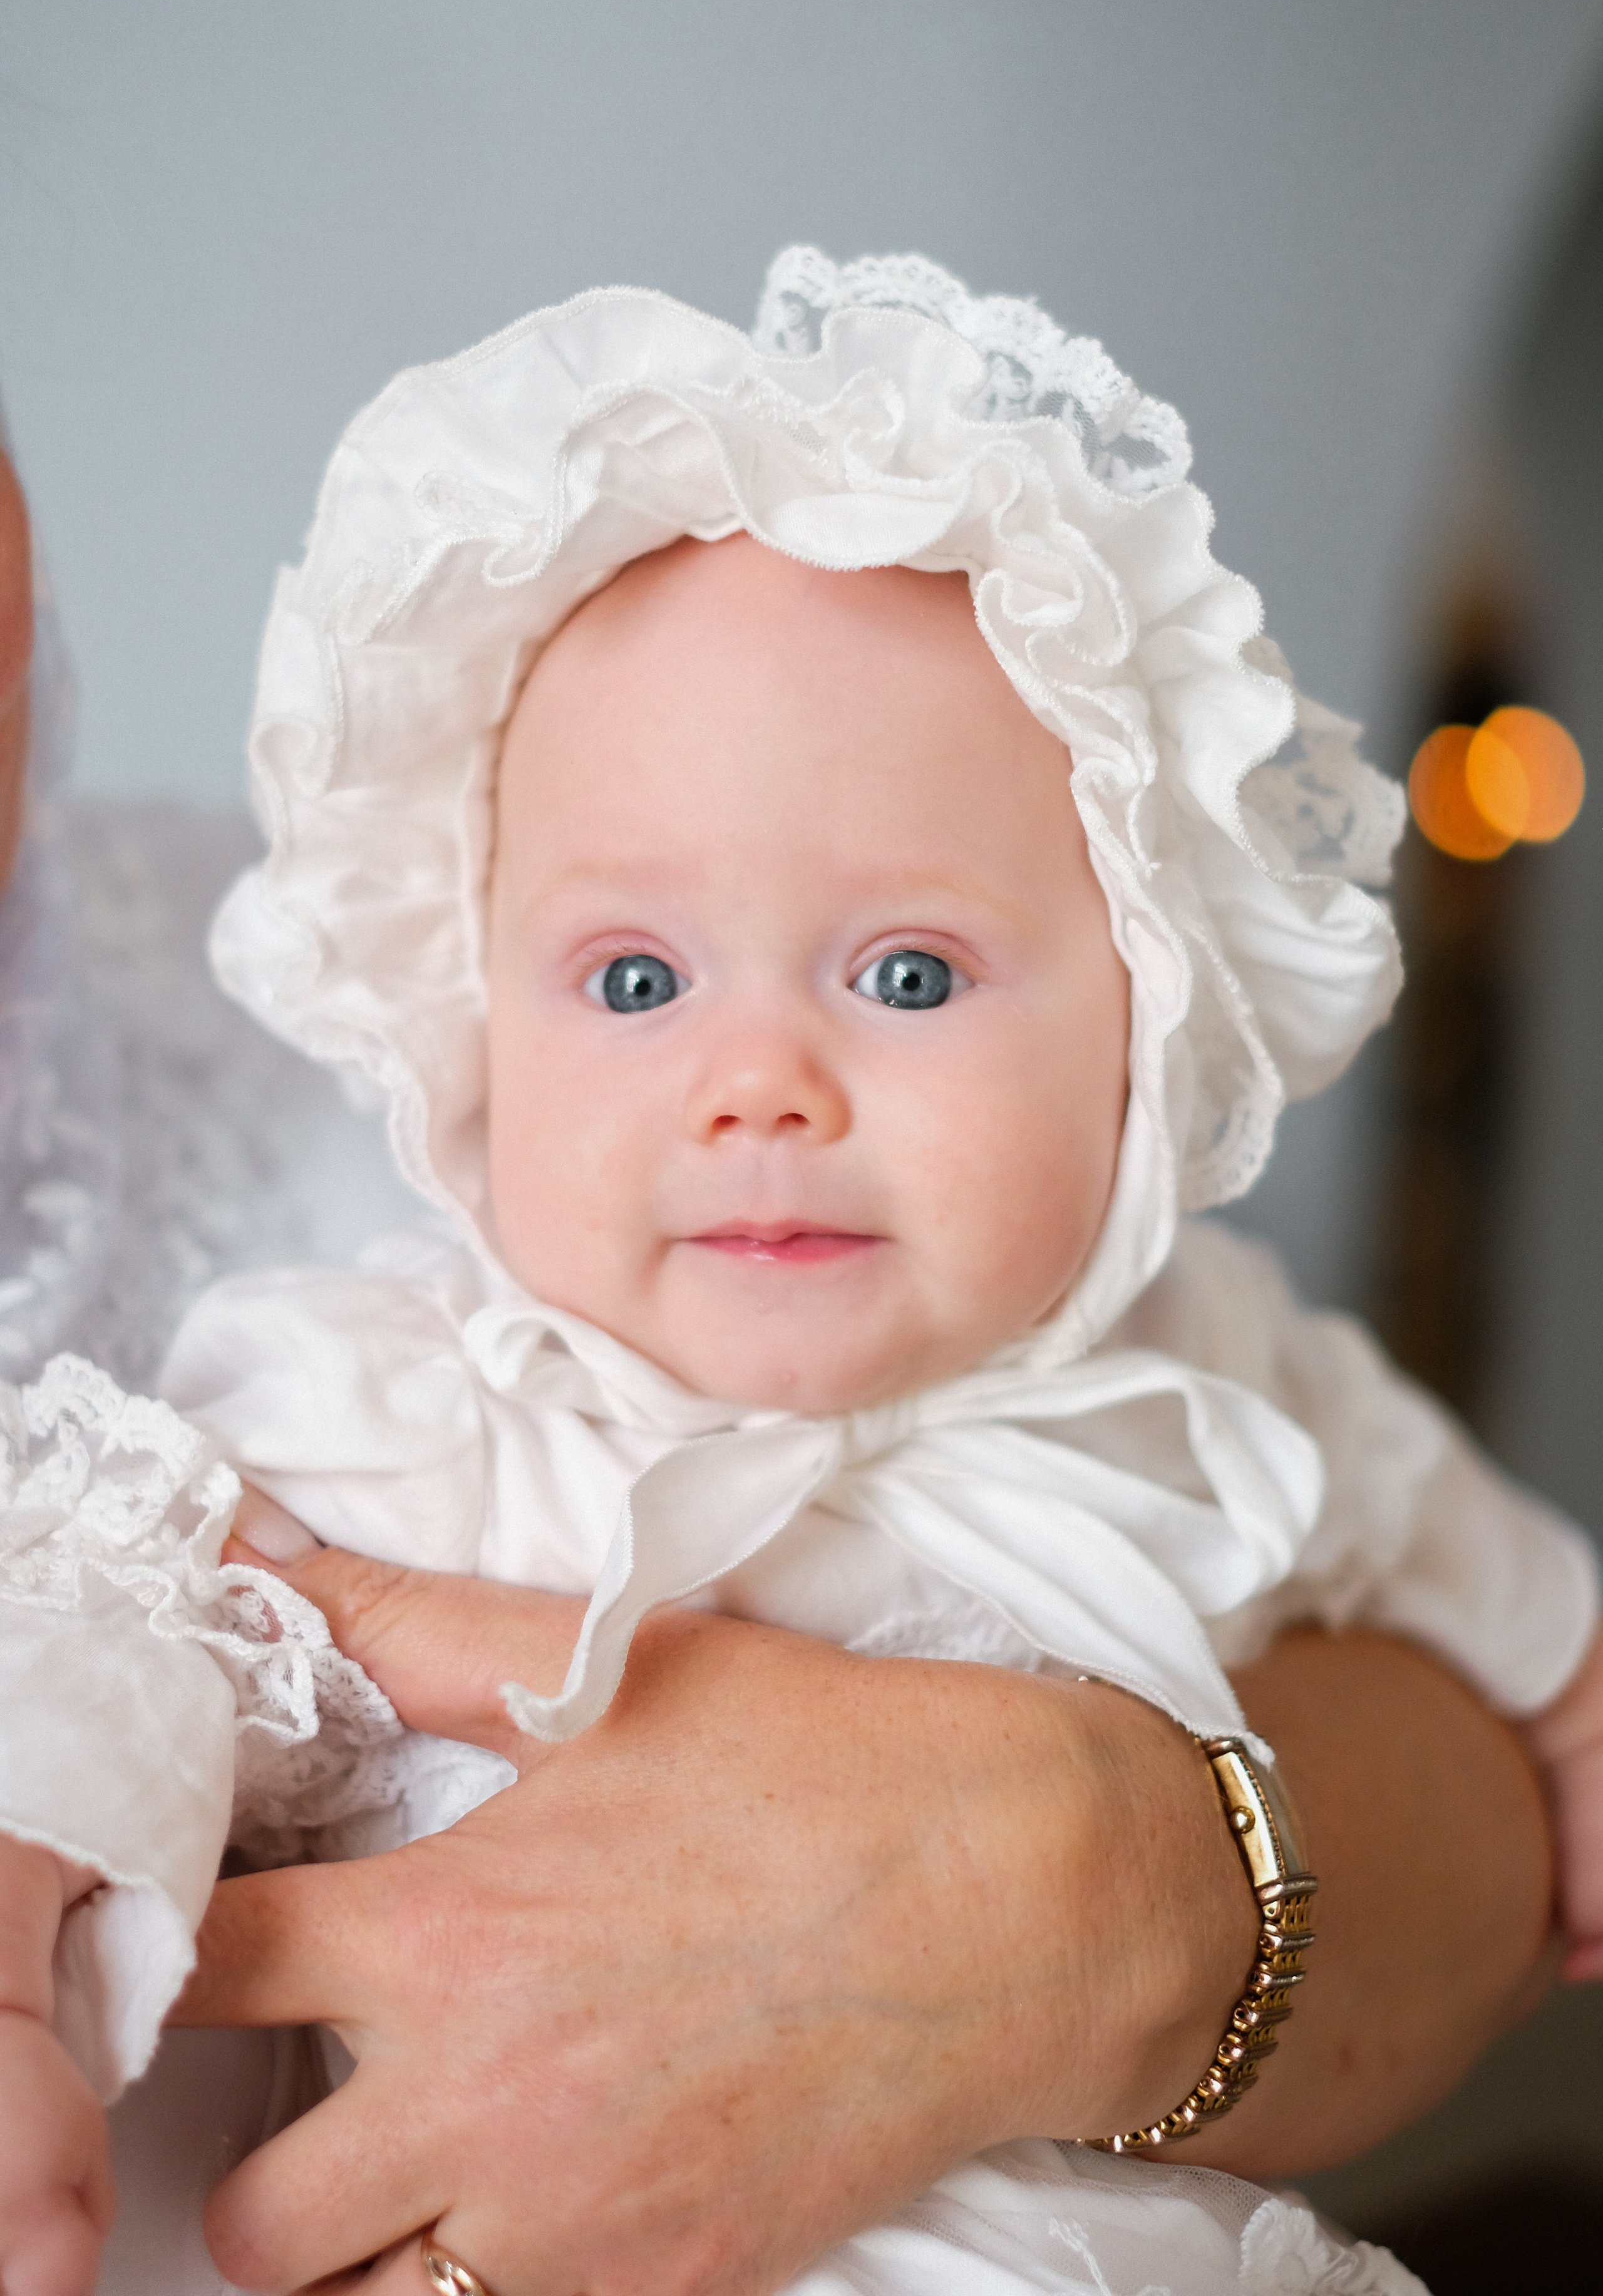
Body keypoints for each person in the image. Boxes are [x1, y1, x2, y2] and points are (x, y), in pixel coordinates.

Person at [0, 255, 1597, 2296]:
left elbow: (1458, 1553)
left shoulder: (1215, 1366)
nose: (759, 1084)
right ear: (480, 1032)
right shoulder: (413, 1390)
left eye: (909, 972)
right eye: (639, 980)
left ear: (1147, 1025)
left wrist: (1565, 1699)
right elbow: (132, 1611)